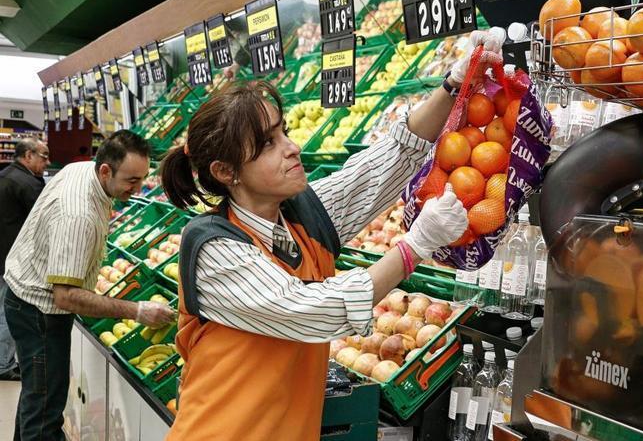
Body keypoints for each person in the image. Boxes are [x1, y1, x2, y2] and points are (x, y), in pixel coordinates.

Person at [160, 28, 505, 440]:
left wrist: (454, 84)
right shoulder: (211, 250)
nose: (291, 147)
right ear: (224, 172)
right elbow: (310, 309)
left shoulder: (301, 215)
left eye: (284, 131)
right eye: (268, 144)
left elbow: (385, 163)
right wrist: (414, 247)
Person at [3, 130, 177, 441]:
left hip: (24, 289)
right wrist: (138, 310)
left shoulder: (80, 168)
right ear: (106, 170)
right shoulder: (78, 215)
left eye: (141, 180)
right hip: (39, 313)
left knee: (36, 398)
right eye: (131, 181)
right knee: (44, 414)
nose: (137, 190)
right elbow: (66, 296)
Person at [0, 139, 50, 381]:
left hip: (3, 254)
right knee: (5, 314)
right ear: (29, 155)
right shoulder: (28, 183)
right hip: (12, 259)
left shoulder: (6, 175)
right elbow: (44, 223)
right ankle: (2, 364)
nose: (47, 162)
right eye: (43, 156)